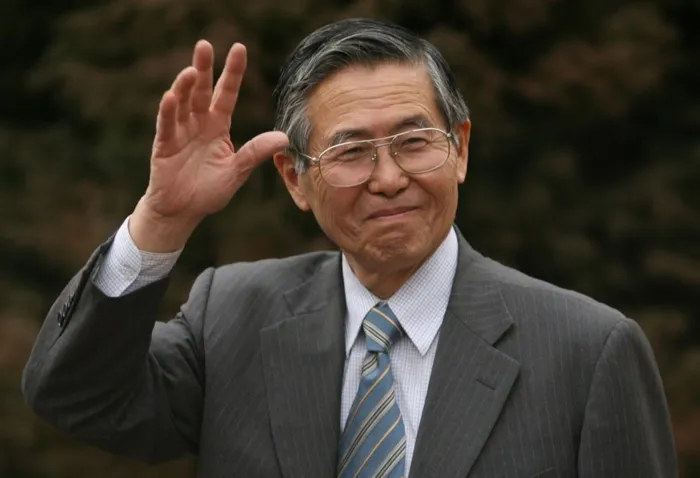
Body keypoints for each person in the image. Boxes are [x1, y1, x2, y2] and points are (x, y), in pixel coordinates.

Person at [22, 18, 677, 478]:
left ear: (460, 150)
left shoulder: (587, 352)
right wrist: (162, 220)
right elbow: (78, 398)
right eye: (352, 151)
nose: (388, 178)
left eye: (414, 142)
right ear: (294, 179)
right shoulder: (235, 317)